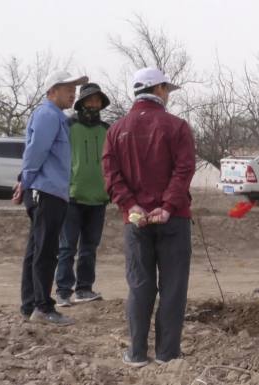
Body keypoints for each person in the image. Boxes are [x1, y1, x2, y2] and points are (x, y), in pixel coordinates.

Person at [103, 67, 196, 367]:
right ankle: (167, 354)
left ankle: (137, 353)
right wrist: (167, 206)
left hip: (135, 221)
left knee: (140, 284)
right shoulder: (178, 127)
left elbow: (111, 175)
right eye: (166, 90)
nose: (167, 95)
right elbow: (183, 171)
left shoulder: (116, 130)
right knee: (173, 286)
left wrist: (131, 205)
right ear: (158, 90)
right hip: (173, 219)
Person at [16, 70, 88, 325]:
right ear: (52, 91)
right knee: (45, 251)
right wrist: (25, 180)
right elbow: (36, 150)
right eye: (68, 88)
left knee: (37, 249)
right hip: (46, 192)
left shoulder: (56, 117)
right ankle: (43, 308)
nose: (73, 94)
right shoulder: (48, 114)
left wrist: (25, 181)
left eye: (75, 89)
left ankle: (30, 305)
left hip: (48, 191)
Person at [54, 83, 110, 307]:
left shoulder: (107, 129)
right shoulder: (68, 126)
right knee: (67, 247)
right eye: (90, 100)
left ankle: (84, 289)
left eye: (97, 100)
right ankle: (63, 291)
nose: (94, 104)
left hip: (99, 197)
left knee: (89, 247)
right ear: (81, 103)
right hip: (72, 196)